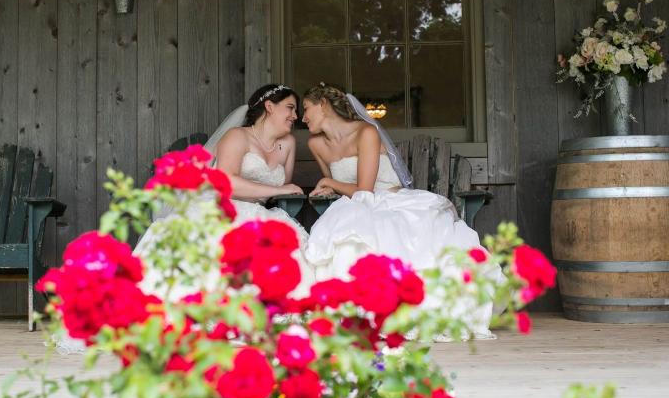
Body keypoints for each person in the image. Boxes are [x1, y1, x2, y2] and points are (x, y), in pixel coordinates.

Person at [301, 83, 500, 338]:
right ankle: (356, 312)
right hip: (356, 204)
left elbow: (365, 188)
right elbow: (344, 189)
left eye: (306, 109)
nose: (303, 117)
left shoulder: (366, 133)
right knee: (346, 238)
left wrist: (329, 183)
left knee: (390, 233)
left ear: (323, 105)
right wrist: (329, 189)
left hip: (390, 200)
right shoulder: (316, 144)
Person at [135, 83, 315, 301]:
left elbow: (282, 191)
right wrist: (277, 189)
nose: (295, 116)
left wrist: (280, 190)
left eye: (296, 110)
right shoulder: (237, 136)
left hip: (260, 211)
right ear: (269, 106)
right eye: (290, 108)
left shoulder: (287, 143)